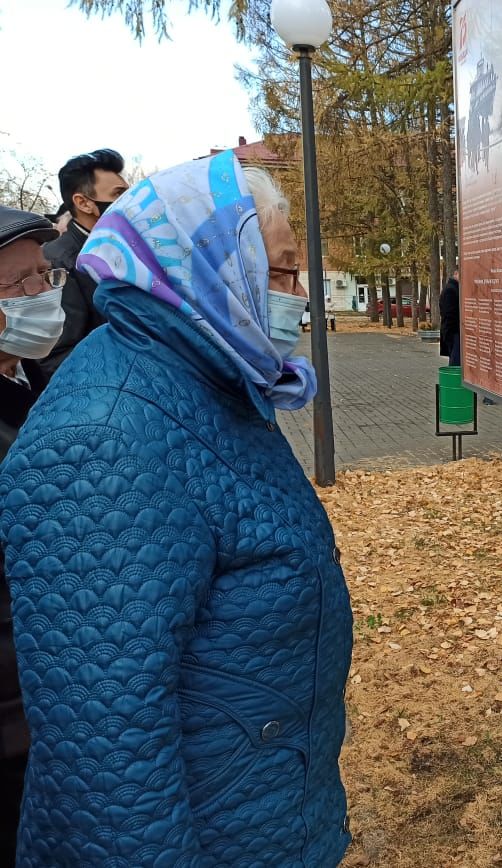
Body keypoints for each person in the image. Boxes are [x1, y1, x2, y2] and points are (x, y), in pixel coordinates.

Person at [0, 157, 353, 864]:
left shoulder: (208, 374)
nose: (298, 294)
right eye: (280, 272)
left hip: (260, 810)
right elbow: (106, 760)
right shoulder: (102, 438)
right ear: (210, 271)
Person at [0, 206, 66, 866]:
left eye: (44, 276)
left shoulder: (37, 379)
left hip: (47, 705)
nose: (41, 296)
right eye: (19, 286)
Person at [41, 148, 129, 374]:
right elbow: (57, 355)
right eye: (119, 194)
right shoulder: (57, 262)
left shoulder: (126, 248)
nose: (131, 202)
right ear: (84, 203)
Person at [439, 268, 461, 365]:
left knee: (455, 358)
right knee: (455, 360)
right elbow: (449, 313)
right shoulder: (451, 289)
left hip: (452, 330)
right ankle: (453, 379)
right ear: (455, 274)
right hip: (453, 332)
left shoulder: (452, 288)